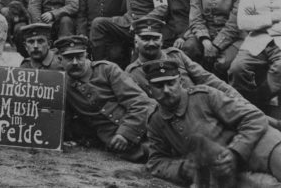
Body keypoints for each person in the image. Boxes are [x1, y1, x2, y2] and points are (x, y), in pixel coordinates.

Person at [144, 59, 281, 186]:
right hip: (223, 172)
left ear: (180, 82)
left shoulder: (205, 96)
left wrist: (235, 151)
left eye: (171, 83)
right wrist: (183, 169)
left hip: (258, 146)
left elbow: (254, 117)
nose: (166, 90)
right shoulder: (156, 121)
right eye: (159, 86)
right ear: (150, 89)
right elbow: (155, 162)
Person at [62, 36, 155, 162]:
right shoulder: (63, 85)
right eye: (68, 58)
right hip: (120, 146)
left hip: (150, 126)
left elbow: (141, 103)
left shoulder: (107, 70)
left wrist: (125, 133)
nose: (74, 62)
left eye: (79, 57)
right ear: (60, 60)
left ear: (87, 56)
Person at [125, 16, 240, 99]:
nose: (151, 43)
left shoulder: (176, 55)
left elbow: (207, 79)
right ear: (135, 42)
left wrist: (235, 97)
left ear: (162, 40)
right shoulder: (133, 73)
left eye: (155, 39)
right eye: (145, 39)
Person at [229, 0, 281, 110]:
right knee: (237, 68)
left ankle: (257, 103)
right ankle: (244, 108)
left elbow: (251, 19)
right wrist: (274, 17)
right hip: (256, 41)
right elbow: (243, 22)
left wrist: (257, 17)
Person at [179, 0, 242, 77]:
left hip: (231, 38)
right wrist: (206, 41)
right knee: (189, 48)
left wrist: (216, 45)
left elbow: (233, 25)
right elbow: (196, 19)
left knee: (222, 63)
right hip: (205, 35)